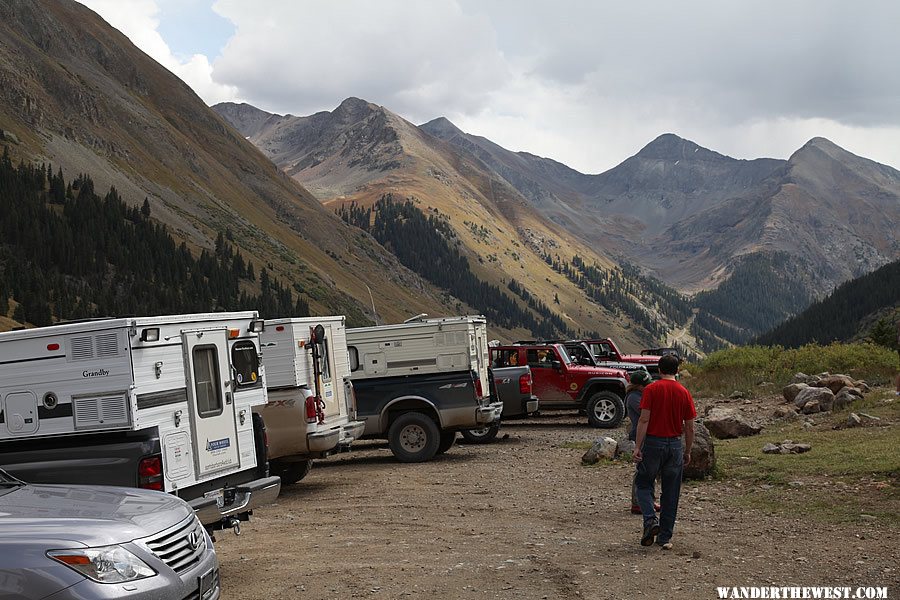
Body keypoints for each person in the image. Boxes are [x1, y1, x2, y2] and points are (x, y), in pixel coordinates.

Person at [633, 354, 696, 549]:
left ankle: (651, 520)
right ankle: (665, 537)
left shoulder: (651, 389)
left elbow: (644, 420)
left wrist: (637, 446)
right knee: (671, 492)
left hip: (653, 443)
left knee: (643, 483)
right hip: (675, 445)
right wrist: (688, 450)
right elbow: (690, 426)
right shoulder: (684, 391)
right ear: (677, 370)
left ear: (659, 370)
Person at [625, 369, 658, 514]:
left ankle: (648, 499)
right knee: (642, 470)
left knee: (651, 470)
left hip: (647, 435)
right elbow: (646, 414)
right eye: (645, 385)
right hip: (640, 436)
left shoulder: (642, 394)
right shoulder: (633, 397)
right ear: (638, 385)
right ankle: (638, 502)